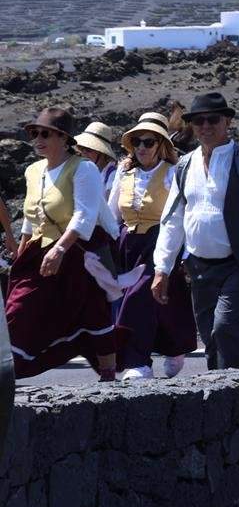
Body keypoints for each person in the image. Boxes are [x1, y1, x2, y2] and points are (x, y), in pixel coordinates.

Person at [153, 92, 239, 371]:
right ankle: (222, 399)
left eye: (212, 119)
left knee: (225, 326)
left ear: (227, 121)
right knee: (210, 338)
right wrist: (162, 268)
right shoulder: (184, 165)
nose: (205, 126)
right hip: (199, 267)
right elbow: (173, 219)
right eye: (197, 121)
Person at [5, 109, 121, 380]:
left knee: (93, 314)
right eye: (34, 133)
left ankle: (109, 376)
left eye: (45, 133)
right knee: (18, 309)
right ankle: (9, 372)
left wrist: (60, 248)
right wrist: (22, 251)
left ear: (64, 137)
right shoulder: (33, 171)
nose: (37, 139)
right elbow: (30, 216)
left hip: (78, 252)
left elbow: (85, 214)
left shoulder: (83, 168)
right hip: (40, 251)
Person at [106, 111, 197, 379]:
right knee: (156, 303)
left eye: (149, 142)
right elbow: (112, 213)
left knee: (138, 298)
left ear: (161, 145)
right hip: (128, 244)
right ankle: (173, 347)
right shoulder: (125, 174)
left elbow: (185, 212)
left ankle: (137, 363)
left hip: (160, 241)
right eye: (138, 142)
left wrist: (187, 251)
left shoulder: (173, 173)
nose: (143, 148)